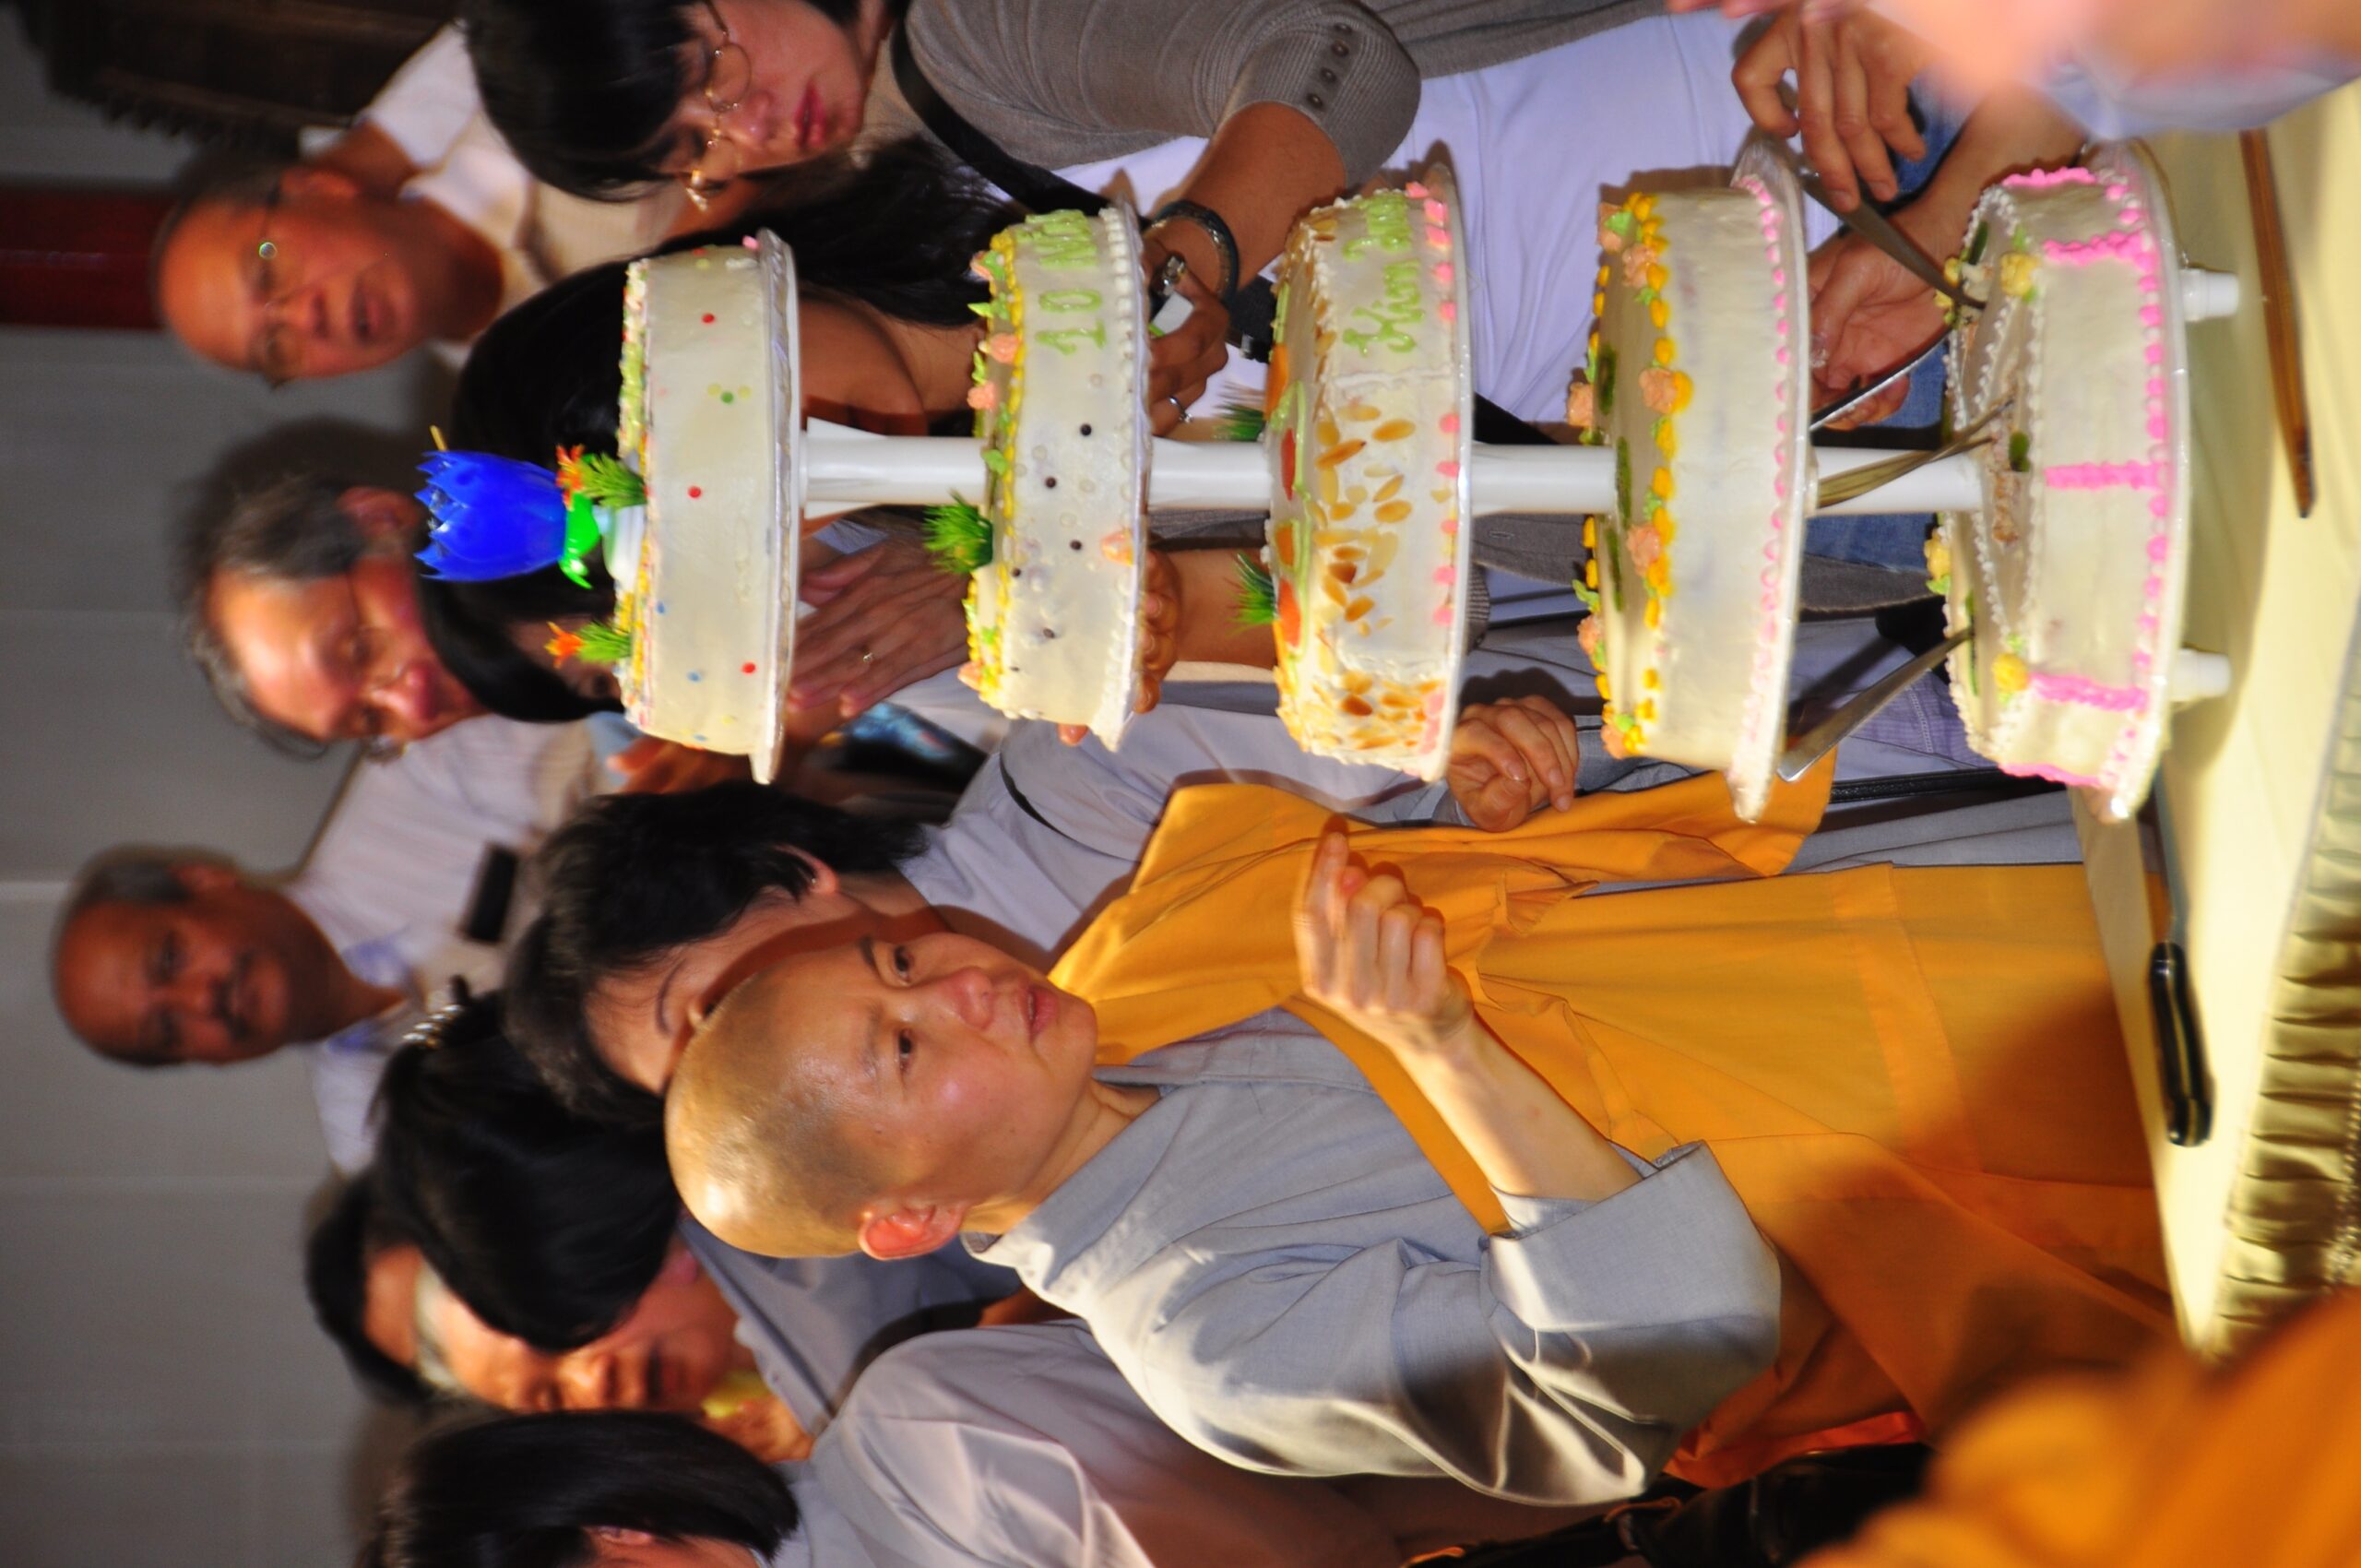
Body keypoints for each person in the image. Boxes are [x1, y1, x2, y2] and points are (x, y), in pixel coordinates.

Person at [665, 754, 2170, 1501]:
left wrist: (1507, 764)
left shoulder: (1135, 962)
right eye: (907, 1048)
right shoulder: (1213, 1342)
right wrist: (1443, 1047)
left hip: (1929, 894)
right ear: (911, 1220)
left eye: (900, 962)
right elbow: (1671, 1352)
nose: (964, 989)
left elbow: (1563, 852)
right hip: (1993, 1154)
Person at [48, 714, 587, 1170]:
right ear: (201, 1063)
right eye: (168, 1029)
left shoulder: (417, 779)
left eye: (170, 959)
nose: (201, 999)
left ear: (203, 879)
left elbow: (614, 728)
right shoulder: (376, 1141)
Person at [152, 29, 688, 383]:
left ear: (318, 188)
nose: (302, 317)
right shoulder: (528, 414)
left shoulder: (546, 97)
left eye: (268, 266)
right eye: (275, 347)